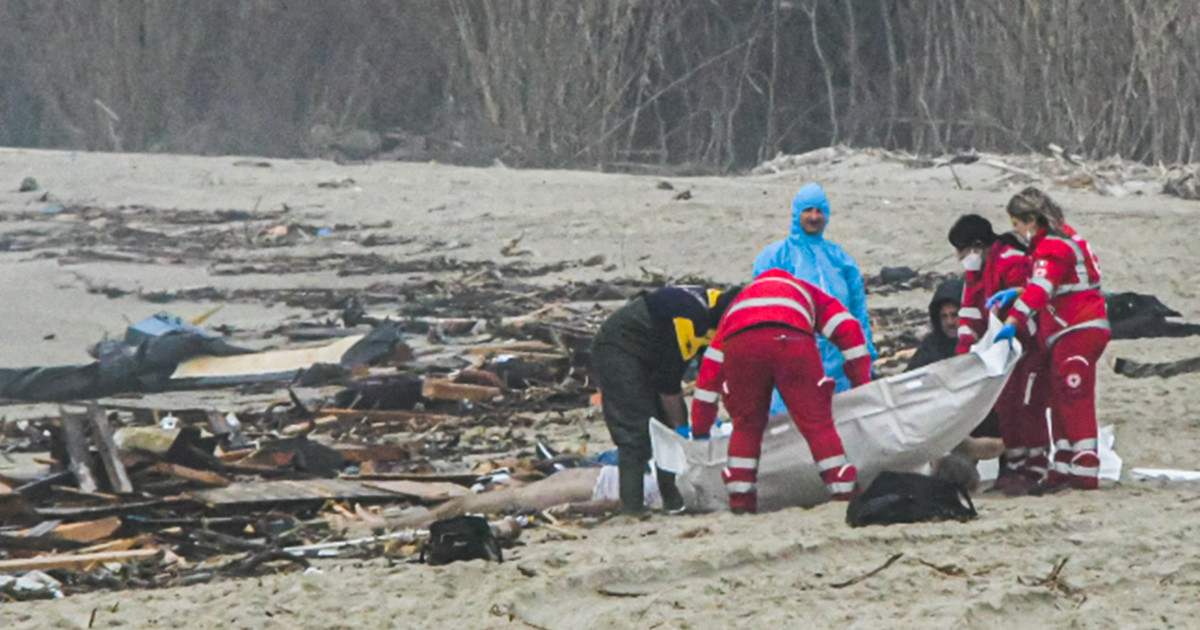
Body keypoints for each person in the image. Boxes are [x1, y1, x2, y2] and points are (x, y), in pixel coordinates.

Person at [689, 269, 872, 513]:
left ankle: (740, 499)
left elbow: (709, 373)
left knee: (746, 425)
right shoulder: (807, 292)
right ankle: (842, 490)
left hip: (740, 343)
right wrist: (861, 384)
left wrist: (701, 430)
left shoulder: (737, 308)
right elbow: (847, 328)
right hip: (791, 339)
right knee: (817, 423)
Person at [989, 187, 1110, 492]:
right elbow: (1056, 282)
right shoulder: (1063, 240)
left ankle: (1084, 464)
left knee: (1073, 392)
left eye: (1017, 223)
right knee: (1059, 394)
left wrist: (1014, 319)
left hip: (1077, 326)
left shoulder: (1053, 246)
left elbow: (1042, 289)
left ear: (1031, 220)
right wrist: (1018, 292)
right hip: (1068, 329)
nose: (1015, 230)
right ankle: (1065, 462)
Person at [589, 285, 737, 515]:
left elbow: (709, 373)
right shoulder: (687, 317)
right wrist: (682, 429)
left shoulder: (714, 312)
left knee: (665, 430)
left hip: (653, 353)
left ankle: (673, 500)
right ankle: (632, 508)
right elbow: (668, 384)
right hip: (620, 349)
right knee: (636, 431)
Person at [948, 214, 1049, 495]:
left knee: (1027, 409)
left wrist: (1013, 338)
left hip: (1026, 348)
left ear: (977, 246)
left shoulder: (1011, 262)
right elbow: (971, 311)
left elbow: (1028, 303)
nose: (960, 257)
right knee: (1007, 408)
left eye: (962, 250)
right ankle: (1016, 468)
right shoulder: (979, 271)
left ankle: (1037, 468)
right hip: (1002, 351)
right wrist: (965, 352)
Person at [753, 183, 877, 406]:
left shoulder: (840, 258)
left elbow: (859, 310)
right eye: (808, 210)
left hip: (839, 362)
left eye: (819, 211)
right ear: (796, 213)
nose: (813, 217)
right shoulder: (775, 257)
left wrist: (867, 353)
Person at [907, 276, 965, 371]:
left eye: (954, 315)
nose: (949, 322)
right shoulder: (930, 347)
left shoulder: (979, 343)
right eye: (944, 316)